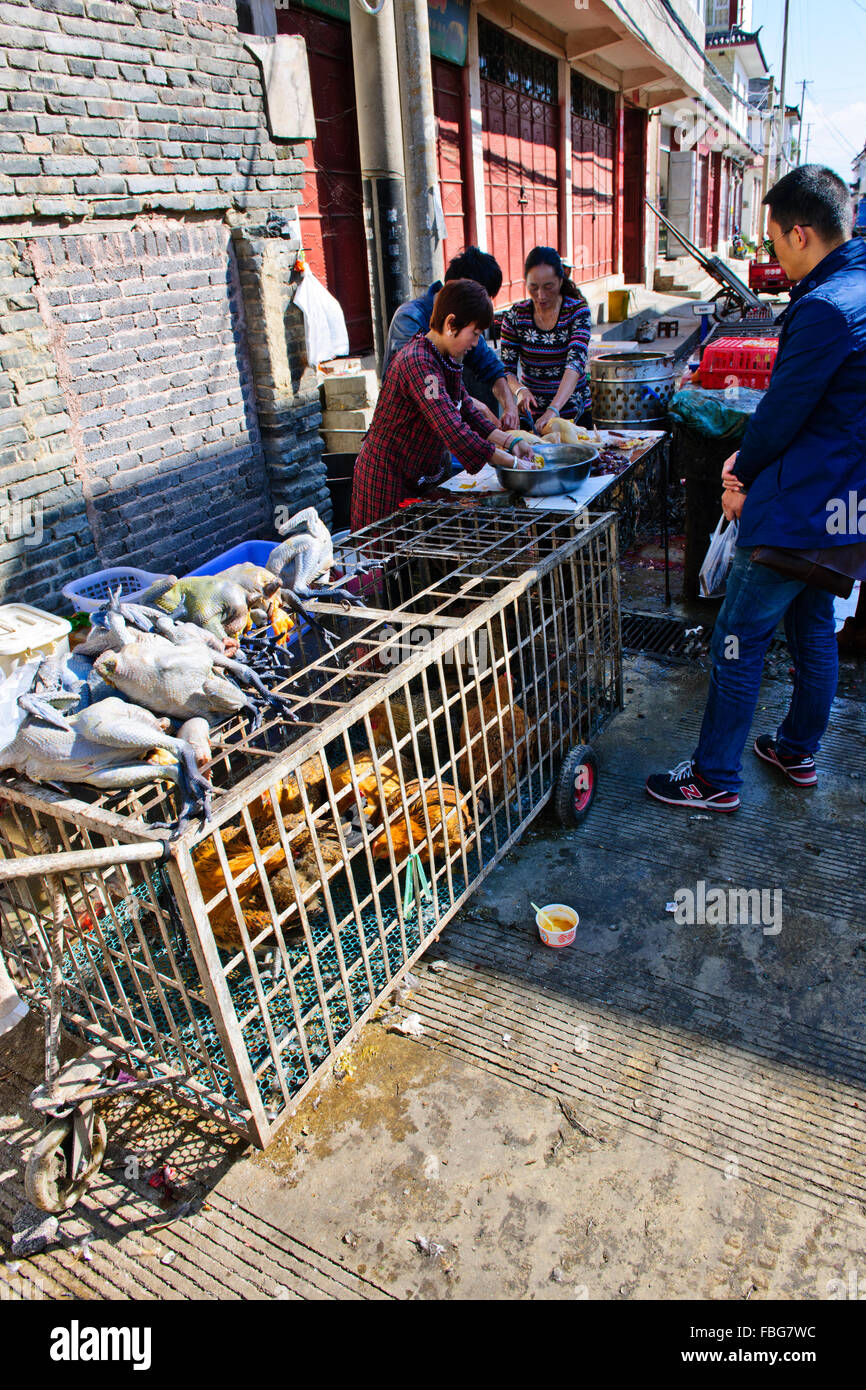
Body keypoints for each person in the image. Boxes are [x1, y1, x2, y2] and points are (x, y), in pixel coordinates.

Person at [646, 165, 866, 812]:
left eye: (772, 242)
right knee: (812, 626)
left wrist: (739, 472)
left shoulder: (825, 308)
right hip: (842, 507)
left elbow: (781, 413)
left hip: (799, 505)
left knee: (737, 638)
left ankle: (714, 777)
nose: (772, 255)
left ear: (800, 234)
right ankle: (797, 748)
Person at [350, 279, 534, 532]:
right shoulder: (419, 363)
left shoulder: (445, 358)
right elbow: (453, 430)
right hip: (387, 477)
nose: (475, 343)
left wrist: (511, 442)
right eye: (475, 334)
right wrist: (512, 463)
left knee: (413, 561)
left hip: (417, 474)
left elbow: (466, 410)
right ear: (450, 324)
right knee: (381, 562)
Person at [383, 246, 519, 429]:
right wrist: (485, 417)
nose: (474, 342)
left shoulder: (465, 327)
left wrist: (510, 408)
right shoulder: (410, 321)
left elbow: (491, 368)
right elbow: (437, 399)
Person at [499, 246, 593, 431]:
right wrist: (519, 390)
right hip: (532, 415)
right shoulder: (515, 316)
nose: (541, 295)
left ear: (560, 280)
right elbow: (506, 370)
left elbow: (575, 363)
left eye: (548, 287)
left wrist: (553, 409)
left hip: (574, 414)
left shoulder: (577, 311)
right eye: (533, 287)